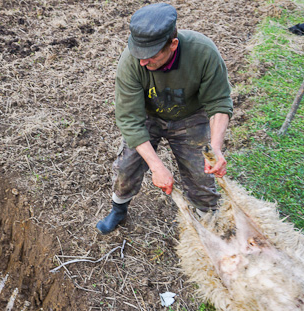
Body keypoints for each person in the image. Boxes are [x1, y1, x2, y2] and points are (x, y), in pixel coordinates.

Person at [97, 2, 233, 234]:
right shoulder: (131, 62)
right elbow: (130, 120)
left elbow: (218, 102)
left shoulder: (203, 52)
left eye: (150, 55)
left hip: (190, 117)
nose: (142, 61)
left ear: (173, 44)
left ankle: (207, 223)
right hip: (148, 117)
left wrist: (216, 148)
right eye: (138, 54)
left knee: (202, 175)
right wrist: (156, 166)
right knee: (127, 167)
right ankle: (118, 210)